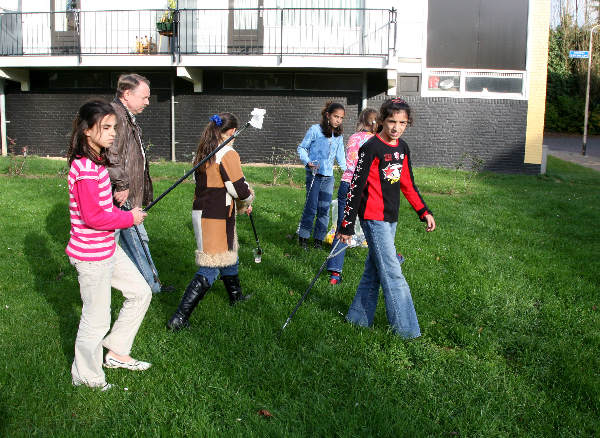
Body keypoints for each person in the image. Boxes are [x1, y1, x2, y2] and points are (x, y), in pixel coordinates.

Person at [66, 100, 152, 392]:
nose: (113, 133)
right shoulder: (87, 168)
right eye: (106, 127)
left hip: (107, 249)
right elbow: (93, 217)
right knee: (96, 319)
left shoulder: (97, 162)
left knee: (140, 292)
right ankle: (86, 377)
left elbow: (98, 208)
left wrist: (114, 206)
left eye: (114, 127)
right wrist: (130, 217)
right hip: (92, 256)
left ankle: (115, 351)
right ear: (87, 131)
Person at [337, 98, 436, 339]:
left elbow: (407, 183)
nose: (396, 127)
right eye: (392, 121)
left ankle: (357, 319)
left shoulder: (402, 148)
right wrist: (347, 225)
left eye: (402, 123)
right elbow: (355, 187)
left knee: (374, 269)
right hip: (373, 217)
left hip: (391, 218)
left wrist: (423, 211)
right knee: (392, 272)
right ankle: (407, 332)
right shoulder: (370, 147)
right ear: (382, 121)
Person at [167, 112, 254, 331]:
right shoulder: (228, 153)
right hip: (216, 216)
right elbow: (238, 189)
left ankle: (236, 297)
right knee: (211, 267)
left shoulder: (204, 150)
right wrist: (249, 196)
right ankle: (179, 318)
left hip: (202, 211)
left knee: (228, 254)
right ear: (232, 132)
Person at [106, 73, 172, 294]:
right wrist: (122, 184)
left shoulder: (124, 116)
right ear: (126, 94)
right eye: (144, 97)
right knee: (118, 242)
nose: (147, 102)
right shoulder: (115, 115)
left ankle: (151, 286)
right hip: (119, 194)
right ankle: (146, 287)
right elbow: (111, 154)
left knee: (134, 239)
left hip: (127, 194)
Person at [327, 108, 378, 285]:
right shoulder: (376, 141)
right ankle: (388, 259)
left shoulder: (353, 137)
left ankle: (334, 273)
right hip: (365, 187)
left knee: (343, 225)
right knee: (373, 225)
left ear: (361, 121)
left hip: (347, 184)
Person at [296, 101, 347, 249]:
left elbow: (341, 157)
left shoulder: (338, 136)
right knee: (311, 207)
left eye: (341, 118)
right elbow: (302, 148)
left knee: (324, 209)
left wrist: (348, 172)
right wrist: (307, 161)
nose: (338, 120)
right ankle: (303, 237)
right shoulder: (315, 130)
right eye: (336, 116)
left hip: (328, 178)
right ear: (327, 115)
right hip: (314, 175)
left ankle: (318, 239)